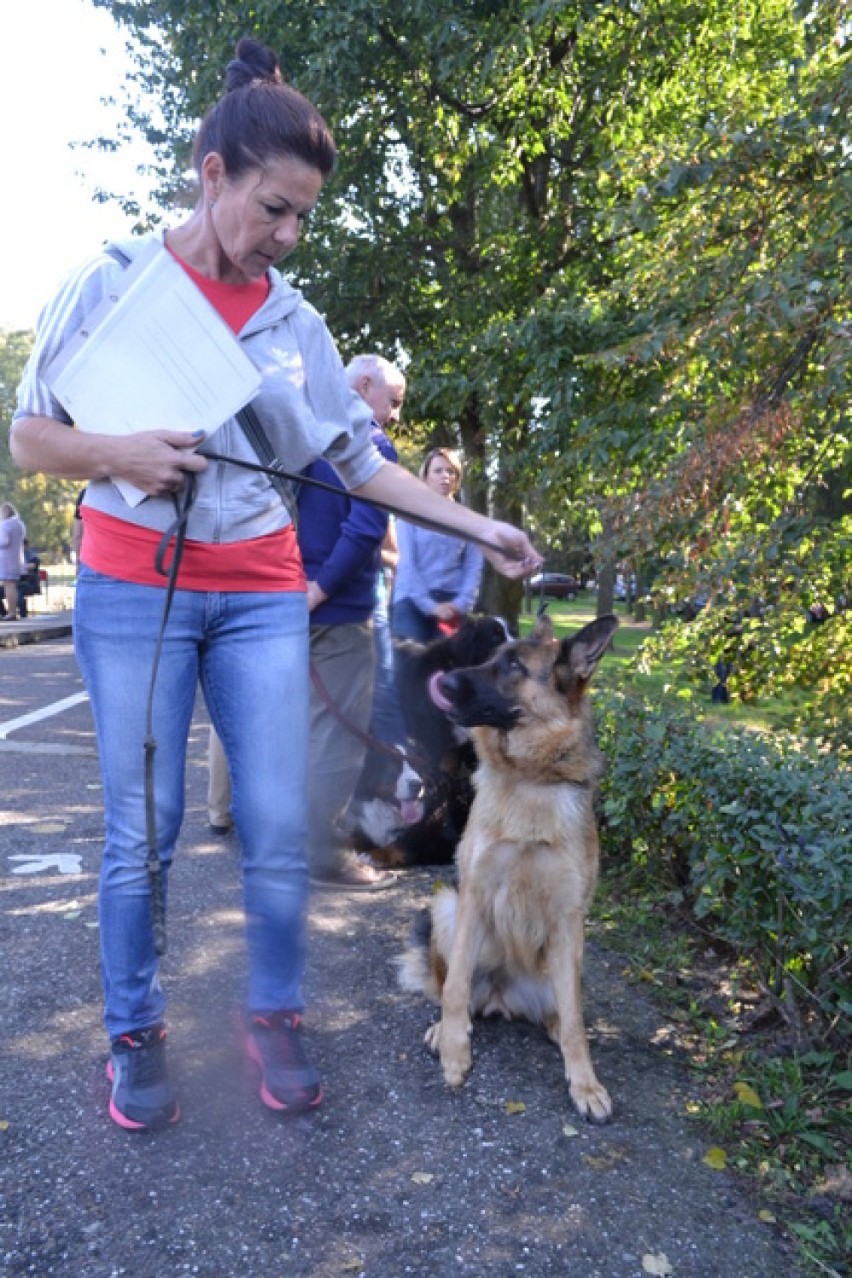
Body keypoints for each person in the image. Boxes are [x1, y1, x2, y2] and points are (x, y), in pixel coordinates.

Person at [11, 36, 542, 1134]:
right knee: (142, 830)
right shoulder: (111, 279)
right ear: (213, 176)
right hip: (131, 584)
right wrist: (119, 454)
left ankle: (276, 1011)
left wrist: (476, 522)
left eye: (302, 216)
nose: (287, 237)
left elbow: (360, 463)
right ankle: (136, 1030)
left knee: (277, 814)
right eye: (273, 209)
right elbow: (30, 439)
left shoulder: (298, 325)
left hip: (259, 591)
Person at [391, 447, 484, 644]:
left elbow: (473, 566)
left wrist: (460, 604)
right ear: (425, 476)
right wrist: (430, 606)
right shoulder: (409, 514)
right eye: (438, 471)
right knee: (410, 666)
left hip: (452, 603)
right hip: (411, 601)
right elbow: (406, 564)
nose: (445, 477)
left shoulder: (467, 519)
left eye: (451, 472)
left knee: (449, 669)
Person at [0, 502, 26, 621]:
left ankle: (11, 612)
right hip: (16, 558)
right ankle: (13, 611)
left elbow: (4, 541)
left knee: (8, 586)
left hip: (6, 559)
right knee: (13, 586)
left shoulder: (5, 524)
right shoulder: (19, 524)